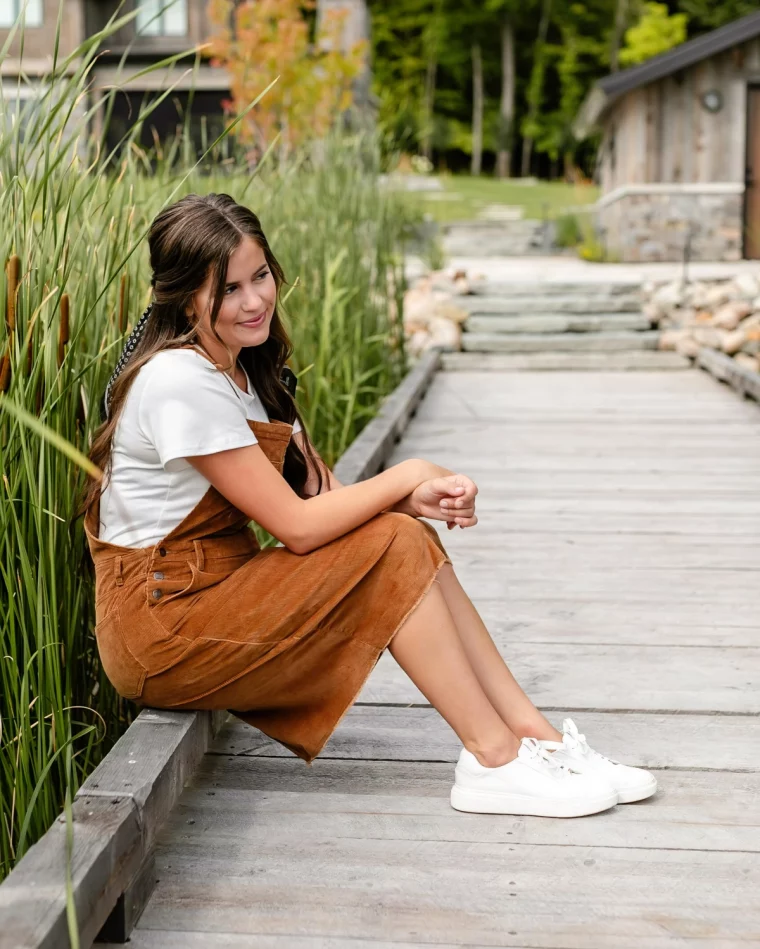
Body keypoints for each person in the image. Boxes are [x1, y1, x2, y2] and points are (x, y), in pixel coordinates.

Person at [81, 193, 657, 819]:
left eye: (261, 276)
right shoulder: (178, 381)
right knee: (394, 539)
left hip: (217, 593)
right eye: (227, 290)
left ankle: (533, 738)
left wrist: (410, 499)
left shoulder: (244, 372)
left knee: (403, 535)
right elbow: (298, 529)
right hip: (162, 626)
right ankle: (492, 759)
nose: (254, 302)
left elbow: (325, 506)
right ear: (183, 296)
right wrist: (408, 473)